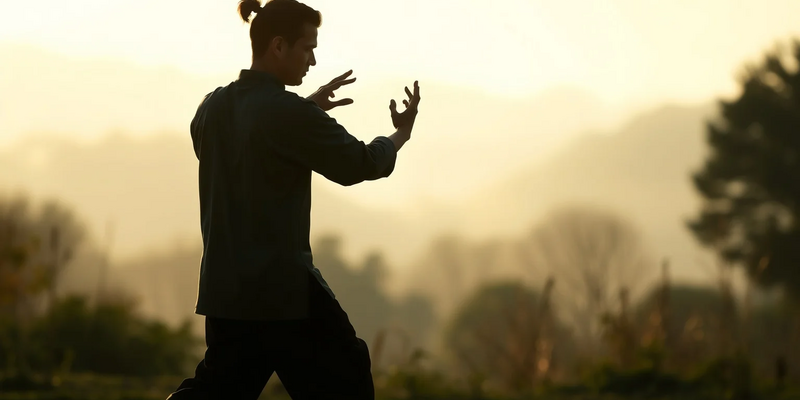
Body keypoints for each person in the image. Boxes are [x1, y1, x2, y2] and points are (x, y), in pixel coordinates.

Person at [165, 0, 421, 398]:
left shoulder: (210, 108)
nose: (313, 61)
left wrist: (304, 110)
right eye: (307, 48)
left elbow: (251, 147)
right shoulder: (289, 115)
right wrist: (400, 135)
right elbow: (361, 164)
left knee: (214, 392)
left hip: (225, 292)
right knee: (347, 379)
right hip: (283, 293)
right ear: (278, 46)